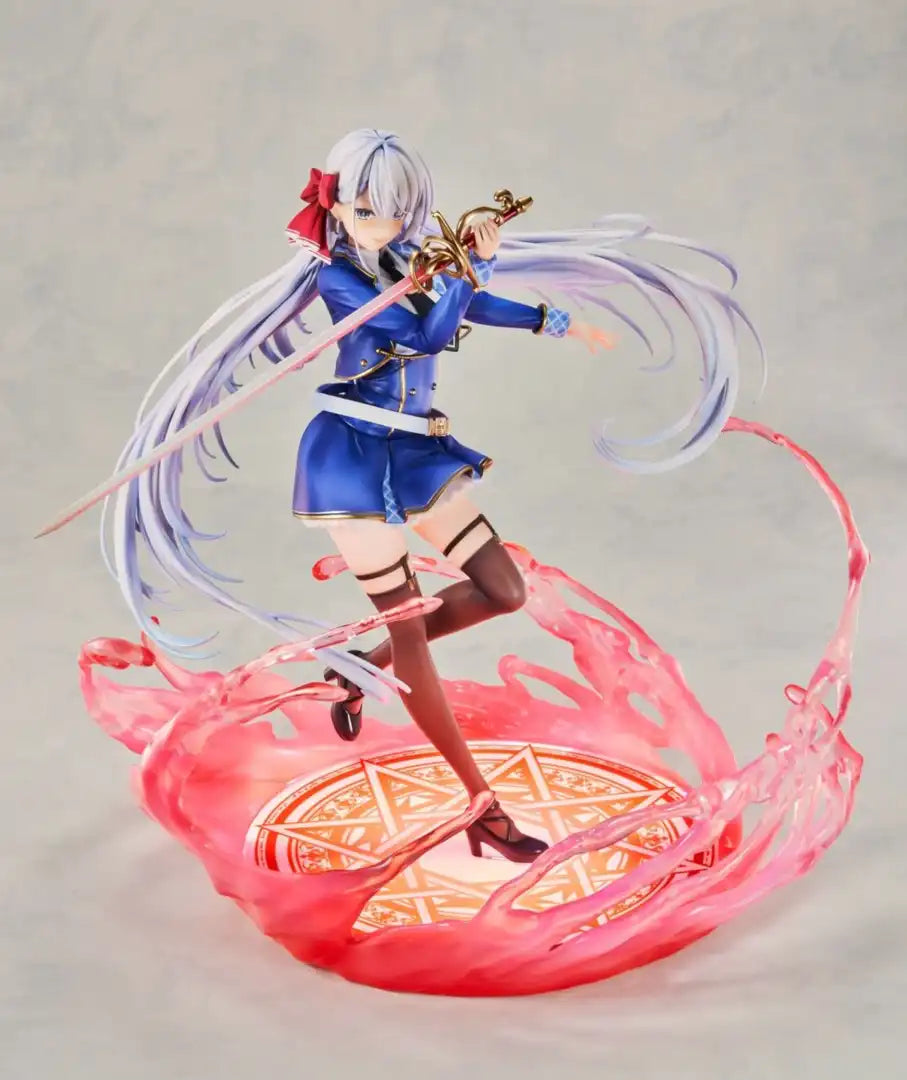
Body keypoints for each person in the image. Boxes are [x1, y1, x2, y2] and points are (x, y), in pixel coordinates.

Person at [102, 128, 760, 863]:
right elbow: (424, 335)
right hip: (351, 459)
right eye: (366, 210)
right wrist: (472, 269)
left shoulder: (405, 261)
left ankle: (357, 668)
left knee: (504, 589)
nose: (382, 225)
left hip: (416, 452)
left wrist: (555, 321)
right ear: (336, 207)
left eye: (395, 211)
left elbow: (464, 307)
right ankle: (482, 808)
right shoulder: (339, 280)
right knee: (414, 632)